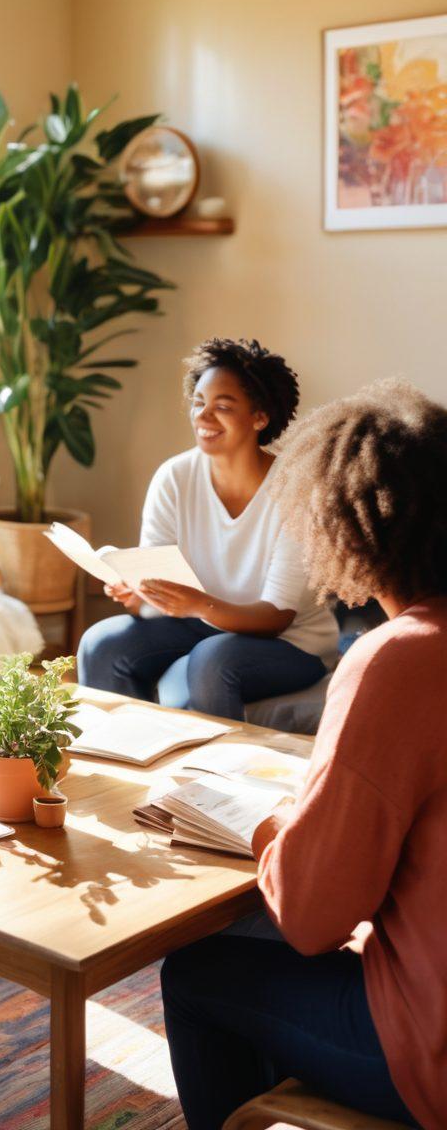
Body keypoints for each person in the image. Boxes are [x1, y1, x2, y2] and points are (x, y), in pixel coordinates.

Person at [160, 379, 447, 1129]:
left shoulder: (401, 659)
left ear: (345, 531)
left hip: (431, 1050)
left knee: (198, 975)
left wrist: (268, 826)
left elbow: (314, 917)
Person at [77, 338, 338, 720]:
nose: (203, 416)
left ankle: (212, 779)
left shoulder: (296, 488)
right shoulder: (174, 477)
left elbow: (277, 616)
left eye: (223, 407)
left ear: (259, 417)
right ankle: (131, 763)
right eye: (199, 403)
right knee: (101, 643)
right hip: (199, 624)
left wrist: (198, 604)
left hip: (291, 642)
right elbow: (160, 581)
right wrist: (137, 593)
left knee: (212, 661)